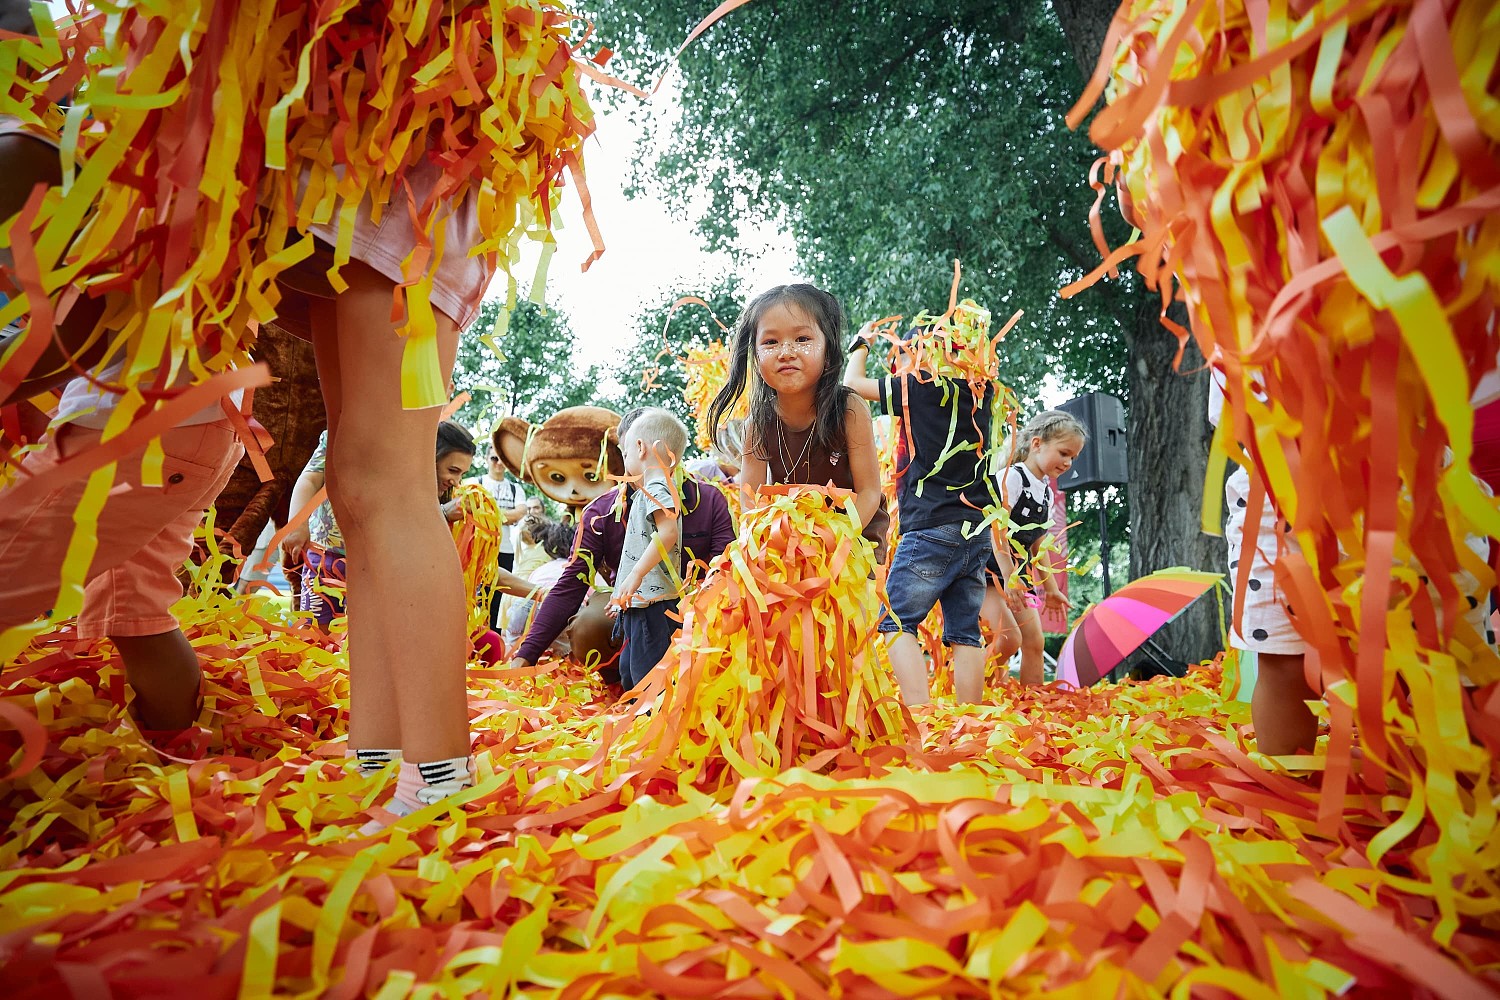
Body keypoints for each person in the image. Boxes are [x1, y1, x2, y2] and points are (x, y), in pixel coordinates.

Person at [509, 408, 735, 674]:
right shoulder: (600, 512)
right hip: (630, 604)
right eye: (624, 452)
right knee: (593, 625)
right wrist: (525, 656)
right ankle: (621, 682)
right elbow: (571, 583)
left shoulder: (708, 498)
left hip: (694, 610)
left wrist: (694, 608)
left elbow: (724, 565)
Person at [844, 325, 1001, 705]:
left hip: (931, 527)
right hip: (976, 531)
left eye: (900, 357)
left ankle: (921, 713)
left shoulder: (918, 387)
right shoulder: (983, 393)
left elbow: (852, 383)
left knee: (896, 622)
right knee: (966, 631)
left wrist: (862, 342)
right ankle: (971, 719)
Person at [706, 284, 888, 558]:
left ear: (828, 352)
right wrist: (767, 543)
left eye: (802, 339)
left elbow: (870, 492)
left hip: (853, 539)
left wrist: (832, 546)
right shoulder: (757, 423)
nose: (786, 352)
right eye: (770, 342)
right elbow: (749, 499)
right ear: (754, 356)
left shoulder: (849, 409)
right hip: (787, 546)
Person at [282, 421, 476, 634]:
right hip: (324, 563)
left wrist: (444, 514)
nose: (457, 482)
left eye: (462, 474)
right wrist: (298, 524)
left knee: (359, 648)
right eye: (453, 470)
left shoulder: (415, 483)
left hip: (377, 573)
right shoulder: (342, 439)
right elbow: (310, 479)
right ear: (430, 455)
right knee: (316, 640)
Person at [998, 411, 1085, 686]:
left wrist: (1050, 588)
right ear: (1037, 444)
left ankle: (1032, 707)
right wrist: (1007, 576)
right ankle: (984, 698)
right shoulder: (1012, 477)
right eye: (1063, 453)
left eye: (1073, 457)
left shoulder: (1046, 491)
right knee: (1004, 639)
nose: (1068, 462)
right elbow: (995, 529)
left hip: (1020, 576)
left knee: (1035, 641)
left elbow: (1037, 541)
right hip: (992, 570)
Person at [606, 408, 689, 689]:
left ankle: (651, 728)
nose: (624, 458)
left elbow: (668, 533)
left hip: (653, 605)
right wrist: (621, 594)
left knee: (647, 676)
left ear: (639, 447)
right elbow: (641, 545)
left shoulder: (658, 488)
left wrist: (637, 575)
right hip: (641, 601)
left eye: (625, 452)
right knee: (630, 670)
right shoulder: (652, 489)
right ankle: (640, 724)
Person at [503, 518, 575, 647]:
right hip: (558, 612)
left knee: (519, 647)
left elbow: (529, 590)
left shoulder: (541, 569)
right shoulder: (578, 569)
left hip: (523, 609)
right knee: (561, 648)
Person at [477, 445, 528, 628]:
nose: (498, 463)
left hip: (505, 549)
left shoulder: (515, 489)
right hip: (478, 550)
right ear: (486, 460)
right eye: (493, 458)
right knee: (477, 599)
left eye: (502, 459)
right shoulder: (475, 483)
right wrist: (506, 515)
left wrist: (488, 514)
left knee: (498, 600)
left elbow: (521, 512)